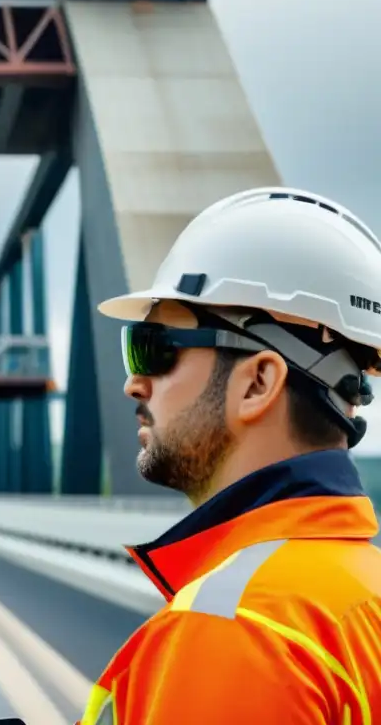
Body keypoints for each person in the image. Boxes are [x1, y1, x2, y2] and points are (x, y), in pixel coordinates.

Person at [78, 188, 381, 724]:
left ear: (259, 382)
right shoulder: (362, 591)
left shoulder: (233, 626)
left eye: (153, 347)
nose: (133, 383)